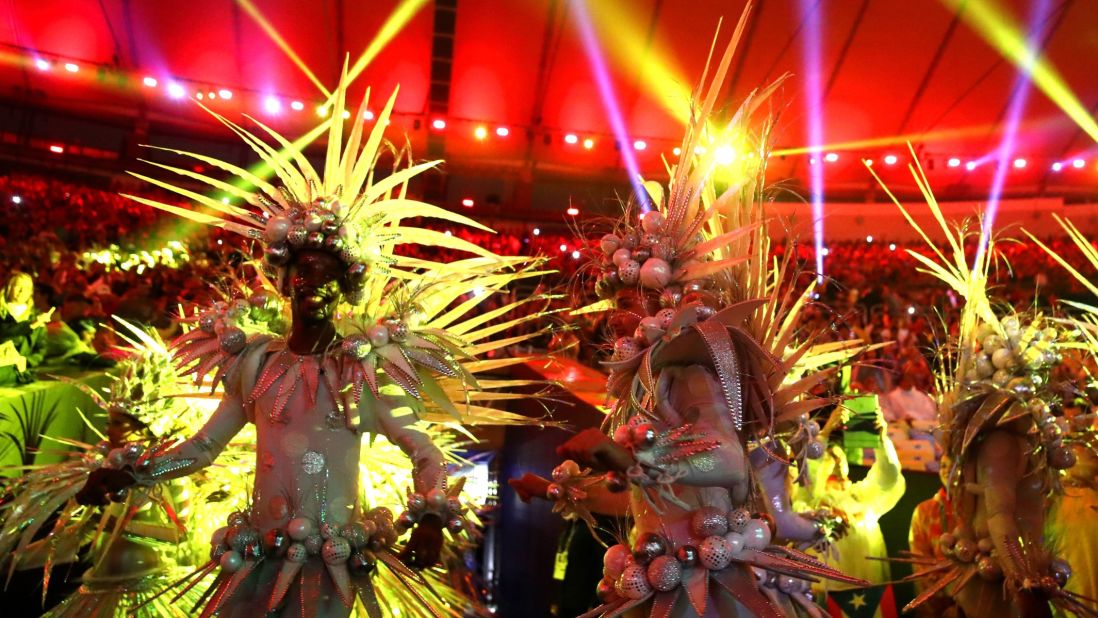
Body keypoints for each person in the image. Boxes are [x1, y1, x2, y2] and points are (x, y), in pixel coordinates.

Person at [75, 77, 550, 618]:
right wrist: (135, 472)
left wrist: (435, 517)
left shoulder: (363, 371)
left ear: (347, 290)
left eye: (329, 277)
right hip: (257, 556)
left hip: (329, 568)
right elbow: (204, 447)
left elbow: (422, 449)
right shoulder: (255, 364)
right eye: (304, 274)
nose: (315, 287)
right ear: (285, 281)